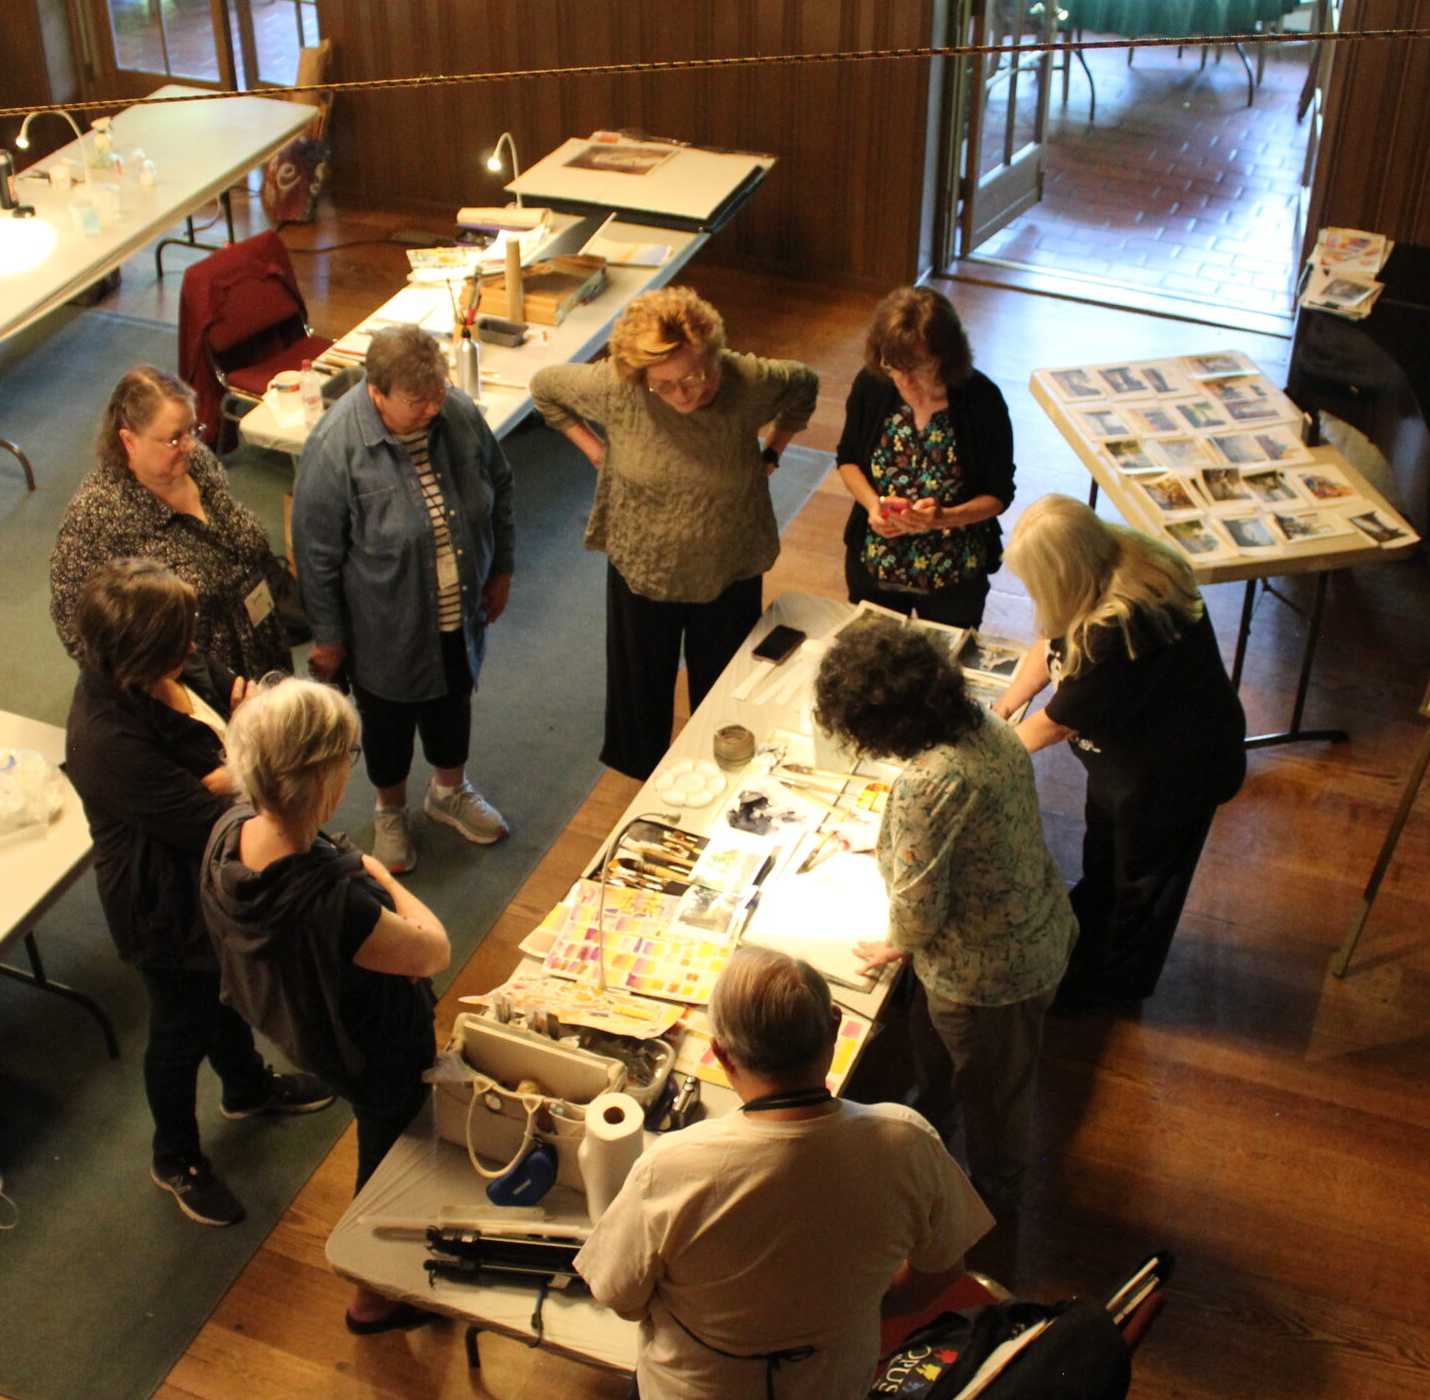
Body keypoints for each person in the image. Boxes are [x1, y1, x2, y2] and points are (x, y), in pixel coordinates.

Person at [578, 948, 990, 1400]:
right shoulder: (906, 1141)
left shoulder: (671, 1167)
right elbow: (941, 1268)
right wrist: (853, 1308)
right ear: (834, 1031)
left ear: (720, 1055)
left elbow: (618, 1296)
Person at [61, 559, 336, 1227]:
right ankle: (175, 1156)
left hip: (205, 882)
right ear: (137, 650)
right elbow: (202, 819)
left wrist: (236, 753)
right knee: (179, 1028)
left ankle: (245, 1086)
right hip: (162, 905)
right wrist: (244, 758)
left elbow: (240, 702)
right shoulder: (105, 737)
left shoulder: (169, 663)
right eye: (178, 637)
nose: (193, 645)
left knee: (226, 990)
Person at [198, 677, 452, 1334]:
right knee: (395, 1151)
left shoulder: (229, 833)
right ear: (321, 777)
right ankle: (373, 1294)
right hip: (374, 1048)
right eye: (347, 756)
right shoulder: (335, 903)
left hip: (303, 1026)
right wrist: (384, 877)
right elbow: (433, 951)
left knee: (386, 1132)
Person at [813, 621, 1073, 1214]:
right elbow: (967, 828)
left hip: (988, 978)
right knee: (954, 1059)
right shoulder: (986, 725)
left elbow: (918, 914)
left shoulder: (927, 785)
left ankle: (992, 1196)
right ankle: (937, 1115)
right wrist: (890, 838)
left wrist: (896, 942)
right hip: (1036, 925)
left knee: (994, 1096)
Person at [533, 287, 819, 778]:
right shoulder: (618, 385)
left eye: (693, 376)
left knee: (727, 692)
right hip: (644, 562)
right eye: (662, 384)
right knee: (639, 693)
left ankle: (722, 778)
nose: (682, 395)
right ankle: (643, 786)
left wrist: (773, 450)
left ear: (714, 356)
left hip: (727, 560)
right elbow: (544, 388)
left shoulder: (749, 381)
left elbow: (805, 387)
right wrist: (598, 452)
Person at [995, 494, 1246, 1012]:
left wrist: (981, 754)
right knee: (1105, 858)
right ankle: (1086, 940)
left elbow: (1057, 722)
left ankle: (1109, 988)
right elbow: (1050, 640)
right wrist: (1004, 706)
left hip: (1171, 776)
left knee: (1143, 887)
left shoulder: (1122, 625)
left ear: (1064, 570)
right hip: (1123, 764)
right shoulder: (1104, 562)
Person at [294, 323, 516, 876]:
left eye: (438, 392)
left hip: (458, 603)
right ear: (377, 392)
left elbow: (501, 484)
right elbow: (316, 553)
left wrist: (502, 568)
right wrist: (328, 638)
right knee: (388, 719)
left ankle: (449, 792)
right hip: (384, 621)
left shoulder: (454, 410)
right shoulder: (335, 447)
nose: (433, 408)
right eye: (418, 401)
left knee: (453, 694)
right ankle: (389, 811)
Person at [50, 365, 303, 683]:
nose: (190, 445)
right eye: (174, 439)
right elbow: (76, 626)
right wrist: (153, 688)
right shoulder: (97, 514)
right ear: (129, 440)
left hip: (261, 644)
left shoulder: (196, 463)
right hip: (195, 684)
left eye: (192, 430)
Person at [835, 287, 1015, 629]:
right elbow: (848, 459)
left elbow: (999, 493)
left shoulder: (982, 400)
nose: (904, 380)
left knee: (947, 655)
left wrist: (943, 517)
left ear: (946, 357)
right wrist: (873, 506)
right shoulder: (874, 384)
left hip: (954, 571)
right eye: (893, 366)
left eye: (917, 367)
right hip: (876, 563)